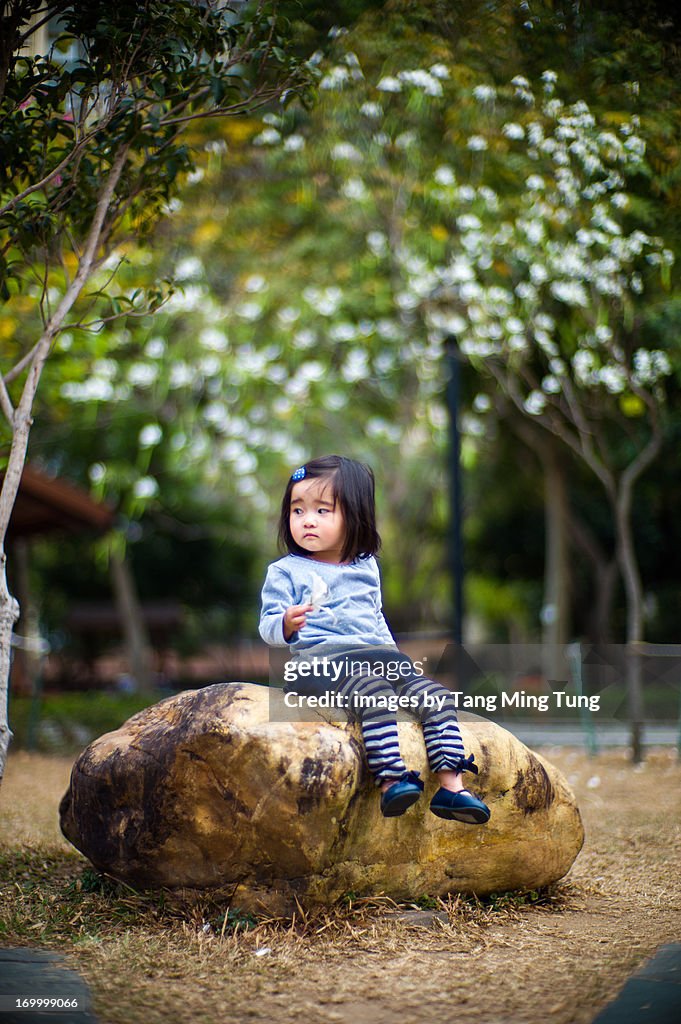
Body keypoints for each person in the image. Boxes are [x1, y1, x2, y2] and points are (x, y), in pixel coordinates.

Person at [259, 454, 490, 824]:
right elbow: (268, 627)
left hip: (377, 657)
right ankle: (391, 780)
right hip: (320, 664)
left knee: (435, 696)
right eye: (297, 510)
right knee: (374, 692)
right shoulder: (286, 571)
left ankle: (451, 786)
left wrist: (397, 664)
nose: (307, 521)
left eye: (322, 510)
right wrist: (287, 622)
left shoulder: (366, 566)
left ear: (355, 515)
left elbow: (374, 618)